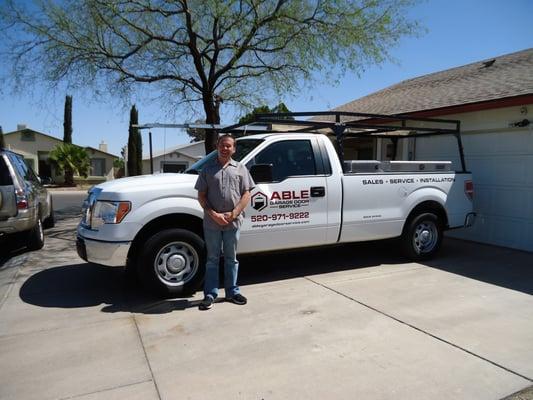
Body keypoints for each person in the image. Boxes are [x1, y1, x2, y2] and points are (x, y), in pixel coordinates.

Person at [194, 134, 255, 310]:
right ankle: (210, 295)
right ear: (217, 147)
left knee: (231, 258)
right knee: (212, 259)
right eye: (222, 145)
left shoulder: (241, 169)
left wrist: (234, 213)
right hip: (212, 223)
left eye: (228, 146)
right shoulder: (207, 169)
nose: (225, 148)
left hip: (233, 222)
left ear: (234, 149)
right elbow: (201, 196)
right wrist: (213, 214)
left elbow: (246, 194)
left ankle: (232, 292)